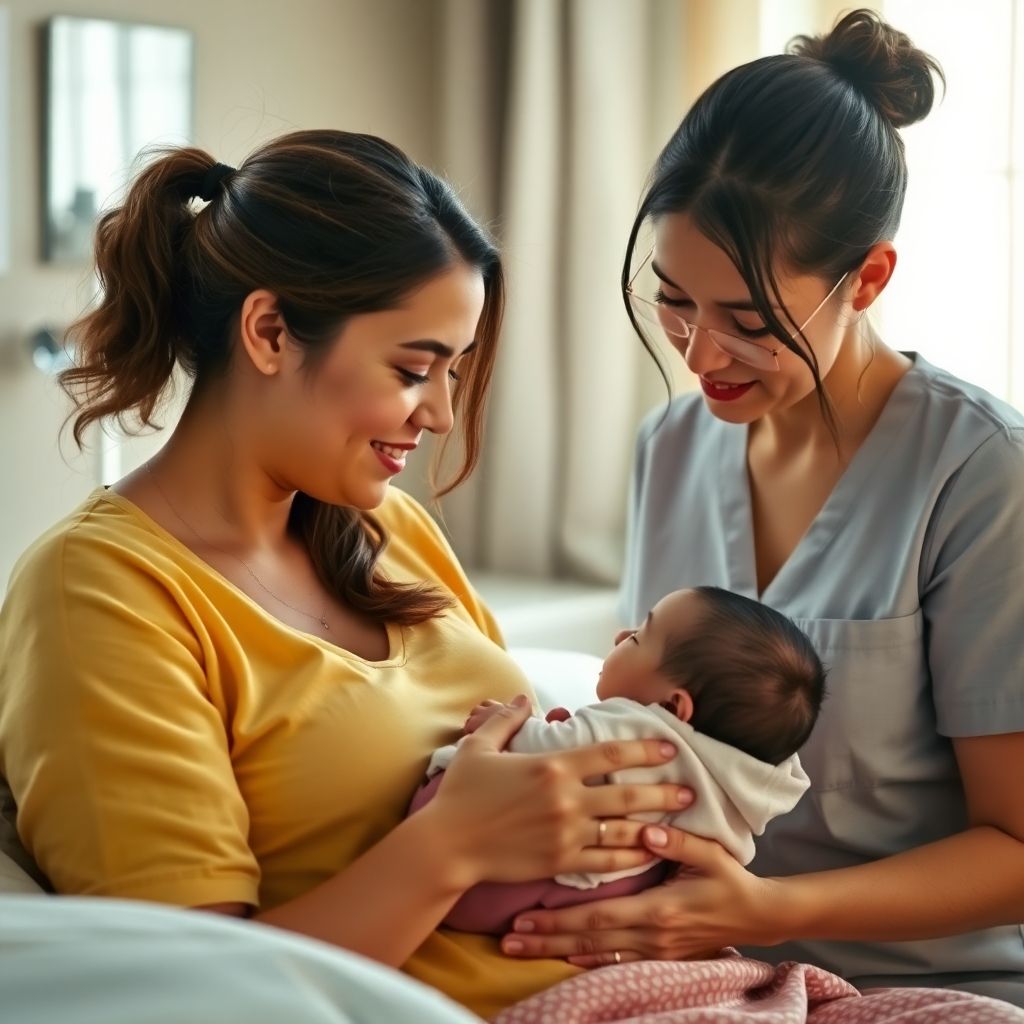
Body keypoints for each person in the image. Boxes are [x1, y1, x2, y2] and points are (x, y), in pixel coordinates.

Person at [0, 130, 693, 1022]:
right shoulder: (99, 593)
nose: (440, 412)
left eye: (455, 369)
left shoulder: (389, 529)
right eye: (413, 369)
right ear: (269, 331)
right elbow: (191, 994)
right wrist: (449, 847)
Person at [490, 7, 1024, 1012]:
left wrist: (757, 900)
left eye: (747, 322)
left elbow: (1016, 848)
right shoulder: (672, 448)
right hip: (700, 970)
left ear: (865, 278)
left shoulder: (982, 478)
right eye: (673, 300)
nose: (695, 356)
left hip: (923, 986)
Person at [409, 585, 821, 935]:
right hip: (617, 893)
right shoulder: (738, 782)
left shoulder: (644, 730)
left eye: (640, 637)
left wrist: (509, 724)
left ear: (673, 706)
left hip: (503, 887)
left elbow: (550, 751)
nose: (621, 634)